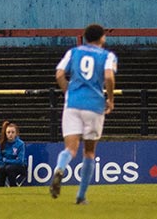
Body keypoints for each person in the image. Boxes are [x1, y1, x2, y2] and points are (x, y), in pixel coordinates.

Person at [49, 23, 117, 205]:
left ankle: (59, 168)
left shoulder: (74, 52)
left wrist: (68, 92)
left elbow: (59, 74)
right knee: (89, 152)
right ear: (102, 37)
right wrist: (110, 99)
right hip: (94, 105)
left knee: (70, 148)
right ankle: (81, 196)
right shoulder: (108, 56)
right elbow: (109, 77)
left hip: (72, 104)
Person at [0, 121, 28, 187]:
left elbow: (20, 161)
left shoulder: (20, 144)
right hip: (6, 166)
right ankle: (0, 189)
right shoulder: (1, 143)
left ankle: (13, 187)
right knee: (1, 169)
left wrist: (6, 160)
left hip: (20, 167)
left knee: (9, 168)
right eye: (8, 132)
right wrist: (10, 161)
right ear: (5, 133)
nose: (10, 134)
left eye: (13, 132)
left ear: (16, 133)